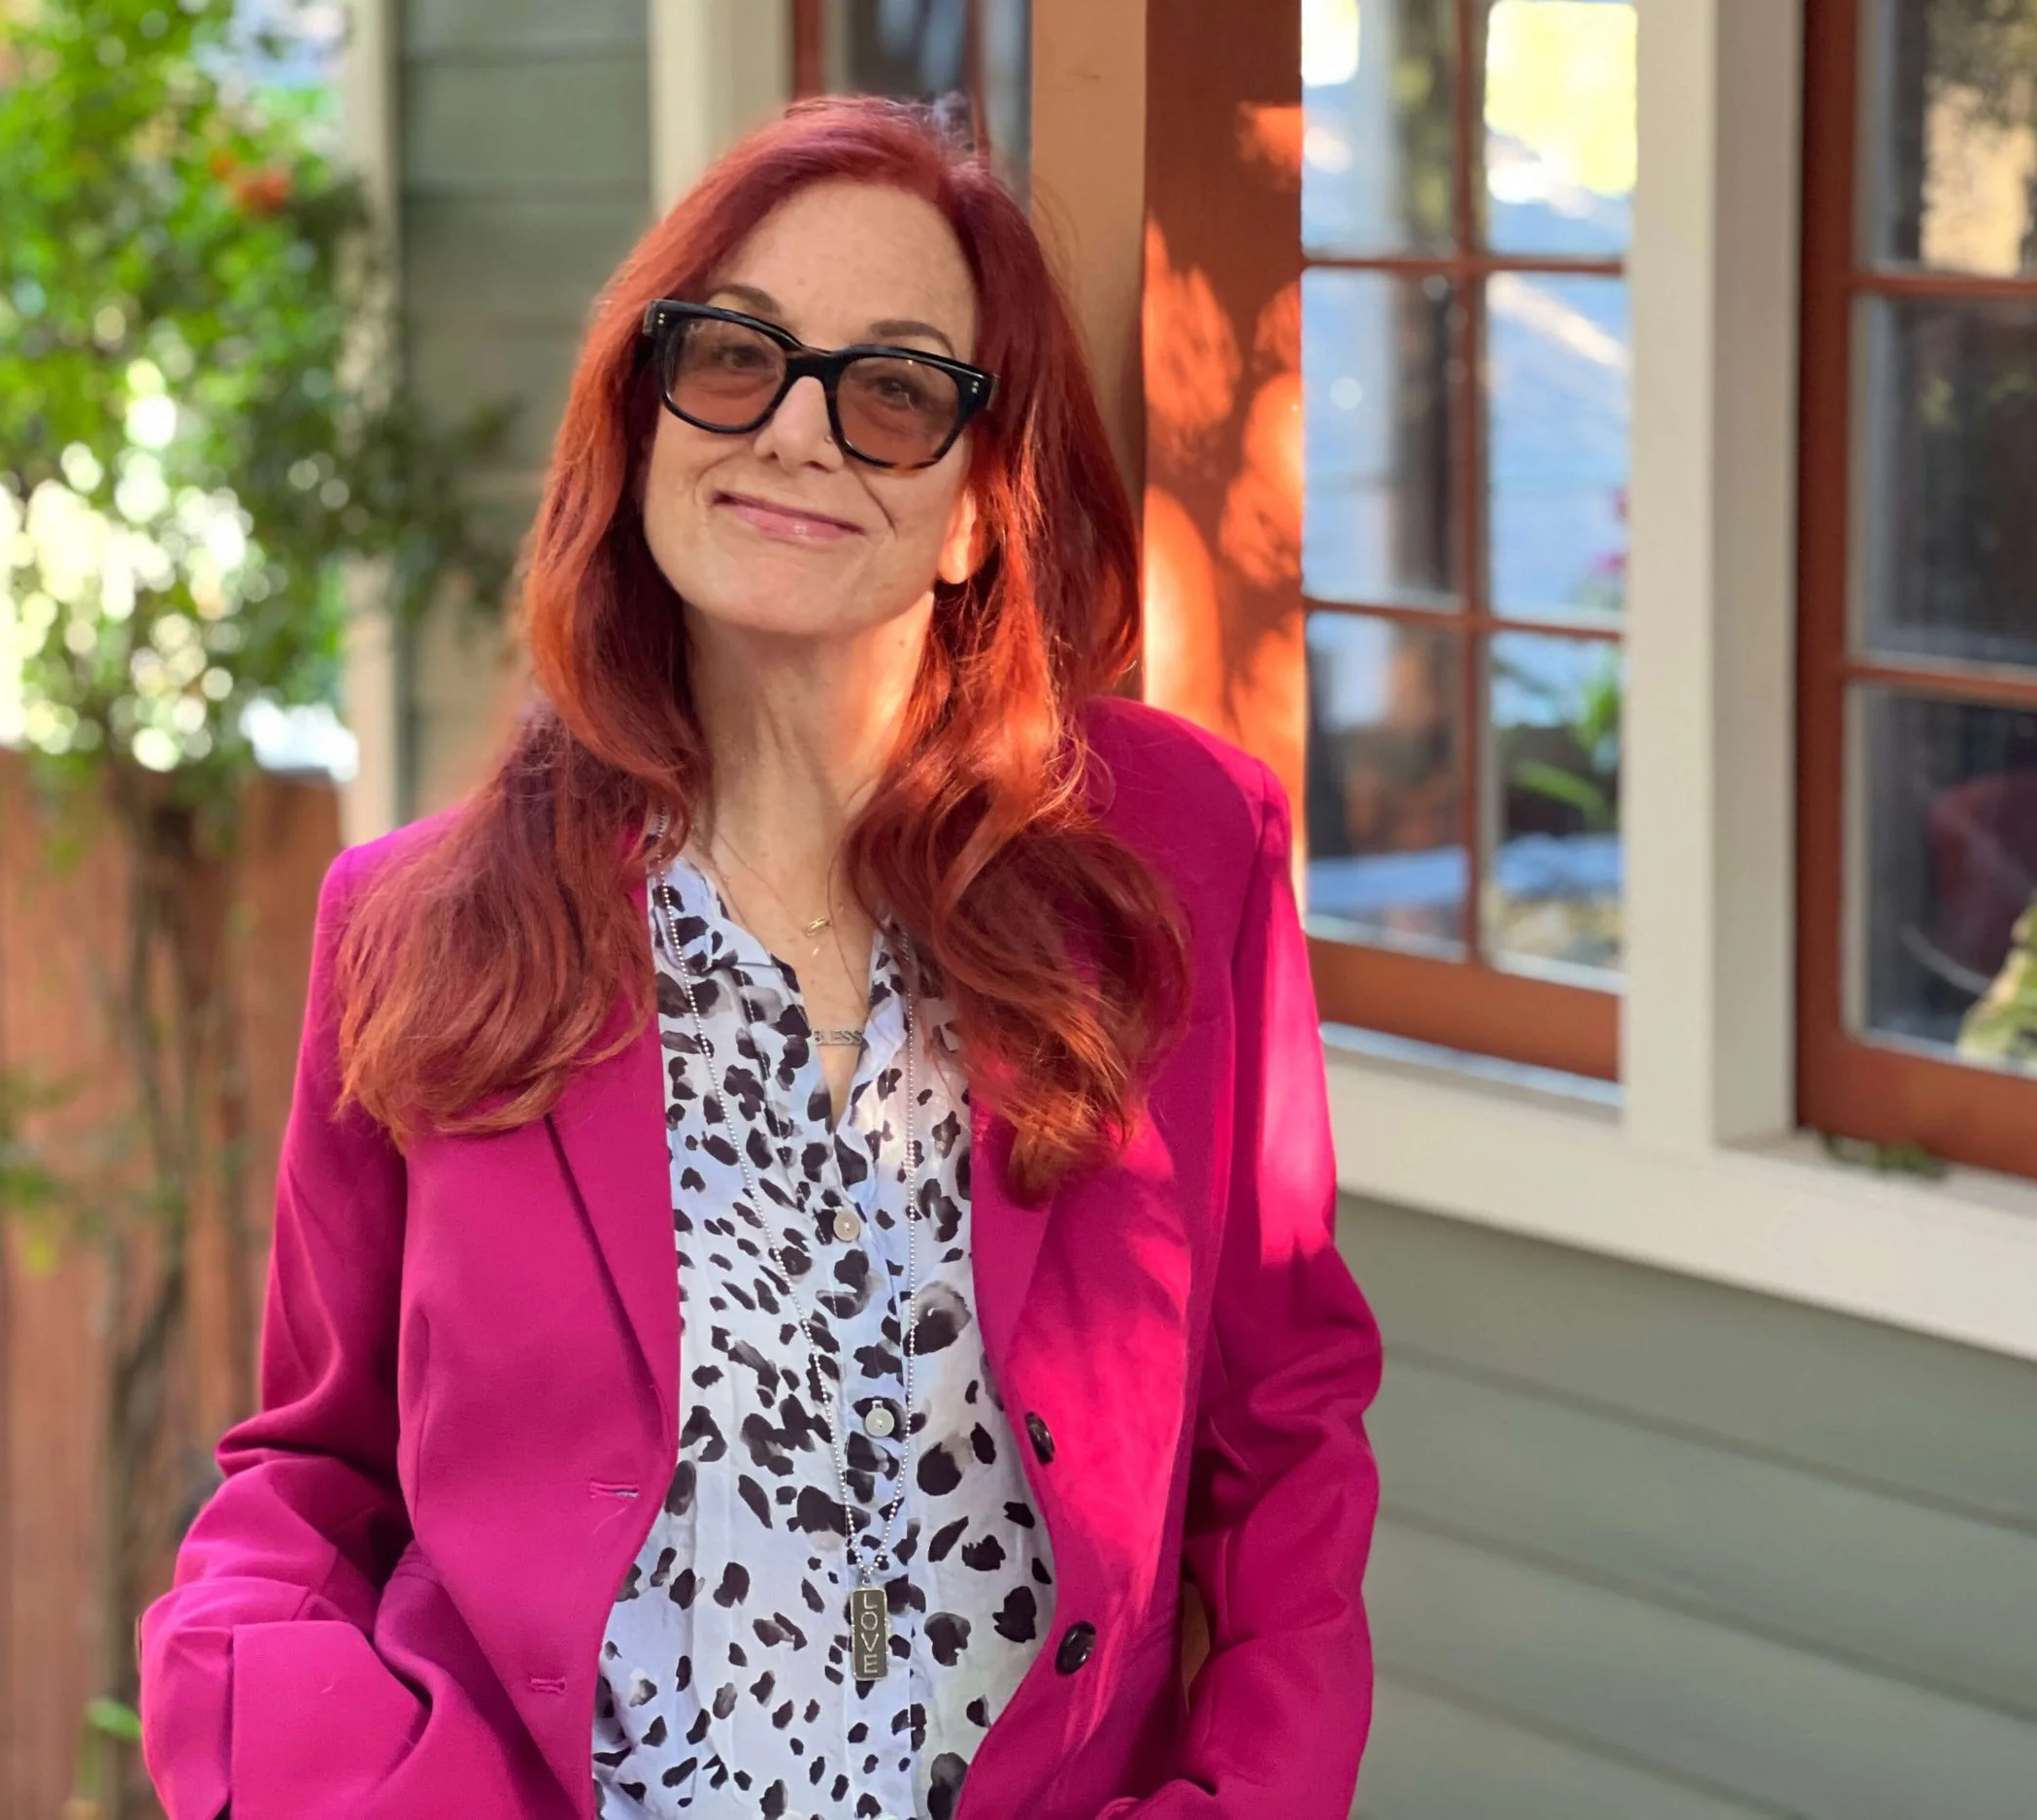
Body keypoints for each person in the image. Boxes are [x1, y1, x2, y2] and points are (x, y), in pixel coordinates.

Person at [140, 94, 1381, 1820]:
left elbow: (1290, 1433)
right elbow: (310, 1477)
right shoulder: (418, 927)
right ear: (644, 423)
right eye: (735, 358)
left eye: (891, 391)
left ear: (974, 508)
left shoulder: (1178, 860)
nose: (798, 431)